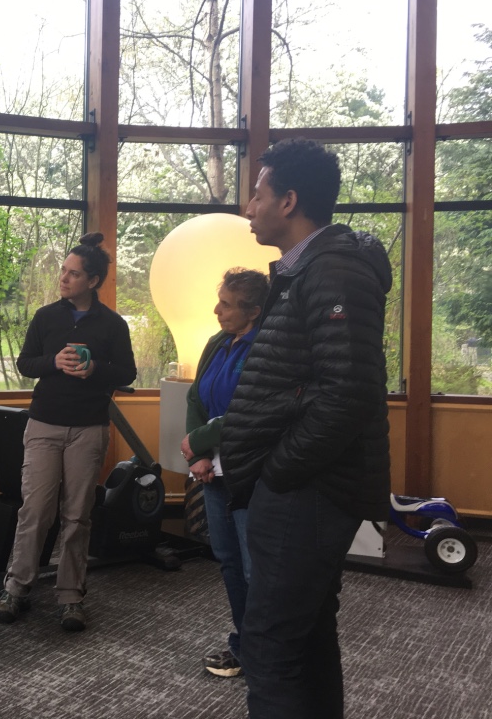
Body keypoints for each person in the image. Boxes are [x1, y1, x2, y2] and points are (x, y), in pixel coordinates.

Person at [219, 138, 391, 718]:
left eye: (258, 194)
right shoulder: (306, 272)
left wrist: (279, 472)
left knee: (269, 642)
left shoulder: (333, 271)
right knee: (307, 633)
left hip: (308, 488)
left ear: (288, 201)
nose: (249, 208)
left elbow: (350, 392)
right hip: (303, 488)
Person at [0, 232, 137, 632]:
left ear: (92, 281)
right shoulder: (46, 317)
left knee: (77, 515)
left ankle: (71, 596)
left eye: (73, 274)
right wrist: (54, 361)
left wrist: (96, 370)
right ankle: (16, 587)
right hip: (43, 424)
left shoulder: (112, 324)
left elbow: (127, 373)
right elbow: (25, 364)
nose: (64, 279)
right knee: (35, 510)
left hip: (89, 427)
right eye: (63, 271)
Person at [181, 268, 269, 679]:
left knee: (256, 567)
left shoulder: (267, 345)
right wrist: (197, 453)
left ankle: (267, 651)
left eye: (227, 305)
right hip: (212, 470)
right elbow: (195, 396)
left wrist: (200, 439)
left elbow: (249, 411)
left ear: (253, 311)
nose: (217, 311)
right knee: (229, 560)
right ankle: (244, 644)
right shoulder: (217, 342)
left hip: (250, 469)